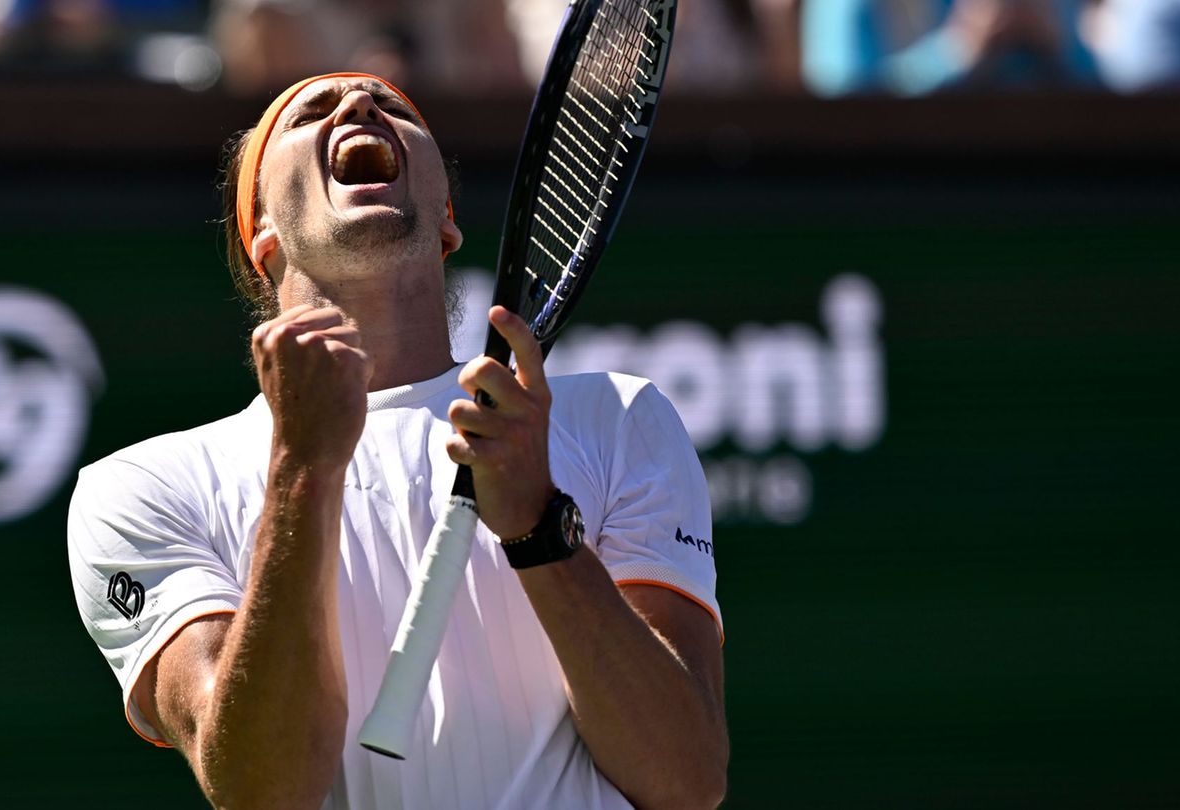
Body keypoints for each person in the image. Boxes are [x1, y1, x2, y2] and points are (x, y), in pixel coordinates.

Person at [67, 71, 727, 809]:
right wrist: (304, 470)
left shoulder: (618, 415)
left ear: (445, 222)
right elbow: (259, 791)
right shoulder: (143, 488)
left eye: (395, 109)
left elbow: (685, 779)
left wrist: (540, 529)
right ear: (262, 233)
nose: (358, 106)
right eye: (311, 112)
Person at [801, 0, 1100, 96]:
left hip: (1040, 197)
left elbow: (1103, 97)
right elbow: (840, 108)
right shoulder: (850, 6)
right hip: (896, 203)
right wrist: (954, 53)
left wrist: (1052, 44)